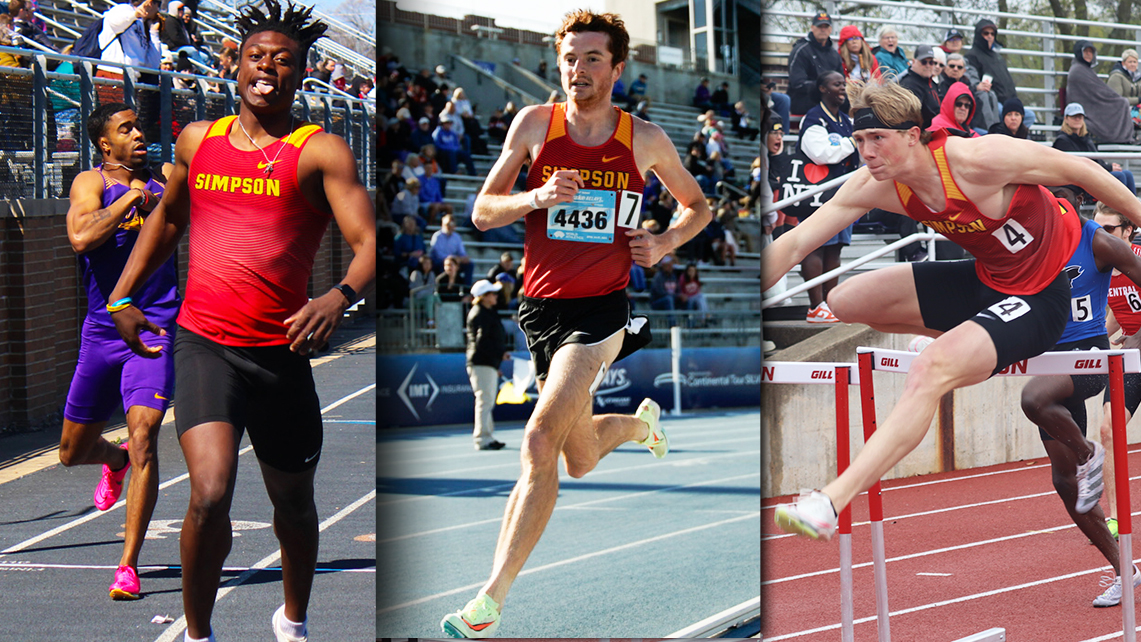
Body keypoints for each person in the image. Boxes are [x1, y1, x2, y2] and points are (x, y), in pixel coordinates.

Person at [765, 75, 1141, 542]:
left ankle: (830, 501)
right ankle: (964, 339)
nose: (867, 152)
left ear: (912, 135)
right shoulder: (877, 184)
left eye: (878, 139)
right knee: (844, 300)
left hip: (1040, 295)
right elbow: (797, 240)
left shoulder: (977, 160)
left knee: (931, 370)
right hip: (987, 281)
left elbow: (1082, 170)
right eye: (860, 140)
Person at [104, 2, 377, 640]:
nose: (269, 70)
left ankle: (292, 620)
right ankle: (199, 635)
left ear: (301, 75)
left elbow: (367, 243)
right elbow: (169, 219)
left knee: (294, 505)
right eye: (258, 57)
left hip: (280, 354)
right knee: (209, 492)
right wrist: (121, 297)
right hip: (205, 347)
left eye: (284, 62)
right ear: (234, 64)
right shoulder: (198, 141)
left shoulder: (320, 153)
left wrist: (338, 296)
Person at [439, 9, 710, 637]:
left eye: (592, 58)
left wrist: (665, 243)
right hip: (540, 309)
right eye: (569, 58)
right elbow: (481, 212)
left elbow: (697, 205)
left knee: (538, 441)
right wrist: (537, 197)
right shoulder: (534, 125)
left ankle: (489, 600)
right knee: (580, 454)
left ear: (617, 68)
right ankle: (641, 425)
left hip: (601, 312)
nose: (577, 69)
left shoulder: (643, 139)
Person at [59, 103, 176, 601]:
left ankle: (128, 566)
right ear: (106, 144)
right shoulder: (91, 184)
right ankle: (114, 460)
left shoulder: (169, 175)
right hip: (101, 334)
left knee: (146, 434)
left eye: (139, 126)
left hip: (155, 329)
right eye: (125, 129)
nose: (138, 134)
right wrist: (129, 197)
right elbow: (82, 237)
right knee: (71, 453)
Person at [1019, 196, 1141, 607]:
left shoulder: (1099, 243)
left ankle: (1090, 453)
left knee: (1033, 397)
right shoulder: (1029, 247)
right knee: (1064, 483)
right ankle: (1127, 571)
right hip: (1049, 358)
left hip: (1088, 356)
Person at [794, 71, 859, 323]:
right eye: (837, 84)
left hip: (842, 192)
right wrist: (852, 142)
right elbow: (823, 154)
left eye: (844, 84)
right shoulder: (813, 118)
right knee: (815, 246)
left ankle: (830, 304)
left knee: (836, 248)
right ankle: (815, 306)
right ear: (823, 88)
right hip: (816, 194)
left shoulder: (844, 119)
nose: (843, 88)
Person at [1098, 207, 1141, 543]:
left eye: (1109, 229)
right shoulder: (1099, 268)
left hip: (1135, 349)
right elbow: (1116, 310)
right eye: (1096, 229)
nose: (1101, 236)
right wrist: (1102, 338)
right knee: (1108, 429)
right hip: (1130, 358)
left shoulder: (1138, 259)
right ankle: (1114, 516)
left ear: (1128, 231)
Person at [1054, 103, 1135, 194]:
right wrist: (1108, 167)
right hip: (1080, 179)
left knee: (1127, 174)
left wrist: (1108, 166)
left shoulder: (1085, 138)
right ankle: (1118, 208)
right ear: (1066, 119)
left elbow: (1097, 161)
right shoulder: (1062, 141)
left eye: (1080, 117)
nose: (1077, 119)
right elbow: (1078, 166)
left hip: (1092, 174)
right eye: (1074, 117)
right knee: (1119, 175)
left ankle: (1134, 208)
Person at [466, 279, 509, 451]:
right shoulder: (480, 314)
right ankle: (482, 439)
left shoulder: (486, 312)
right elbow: (482, 342)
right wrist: (499, 354)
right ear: (483, 297)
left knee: (487, 401)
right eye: (491, 293)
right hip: (481, 363)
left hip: (486, 363)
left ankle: (488, 437)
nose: (495, 296)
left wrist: (496, 362)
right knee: (484, 401)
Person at [1067, 41, 1134, 145]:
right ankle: (1121, 138)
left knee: (1122, 102)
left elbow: (1100, 89)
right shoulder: (1078, 71)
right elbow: (1098, 92)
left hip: (1094, 104)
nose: (1089, 54)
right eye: (1086, 51)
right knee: (1122, 103)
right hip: (1088, 108)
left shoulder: (1084, 69)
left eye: (1091, 51)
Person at [965, 19, 1019, 131]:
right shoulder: (971, 55)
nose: (990, 36)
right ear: (979, 35)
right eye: (986, 33)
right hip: (992, 103)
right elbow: (972, 81)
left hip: (1009, 102)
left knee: (1029, 116)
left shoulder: (998, 56)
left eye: (992, 33)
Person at [787, 11, 842, 115]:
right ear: (812, 28)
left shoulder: (834, 54)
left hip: (828, 98)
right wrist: (823, 88)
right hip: (804, 99)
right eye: (819, 26)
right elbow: (798, 83)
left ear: (830, 30)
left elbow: (841, 81)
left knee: (847, 103)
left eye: (826, 27)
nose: (823, 29)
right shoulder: (801, 50)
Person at [898, 44, 941, 129]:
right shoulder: (908, 85)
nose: (928, 65)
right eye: (924, 62)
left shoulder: (931, 83)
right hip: (921, 134)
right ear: (913, 62)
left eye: (931, 62)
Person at [429, 213, 472, 282]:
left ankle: (466, 288)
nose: (449, 227)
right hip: (440, 261)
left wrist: (464, 257)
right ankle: (443, 285)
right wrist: (452, 258)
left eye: (451, 225)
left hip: (453, 260)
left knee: (469, 264)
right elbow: (438, 254)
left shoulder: (457, 237)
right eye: (447, 224)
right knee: (445, 265)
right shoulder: (437, 236)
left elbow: (461, 252)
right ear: (442, 225)